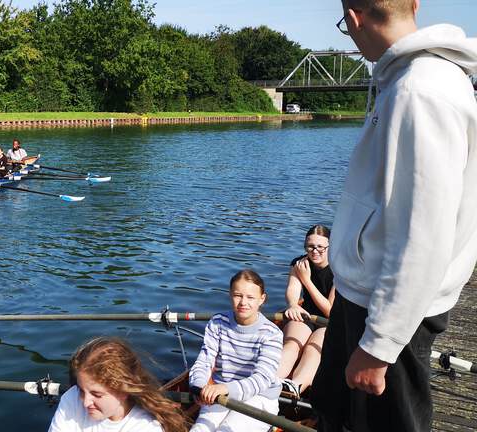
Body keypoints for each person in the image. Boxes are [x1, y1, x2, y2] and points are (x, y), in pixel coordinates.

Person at [311, 2, 477, 431]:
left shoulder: (419, 91)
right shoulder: (409, 80)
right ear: (414, 4)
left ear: (353, 18)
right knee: (331, 408)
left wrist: (379, 346)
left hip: (386, 308)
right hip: (366, 296)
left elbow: (425, 234)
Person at [189, 269, 283, 432]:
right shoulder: (217, 322)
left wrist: (226, 388)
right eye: (238, 295)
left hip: (259, 397)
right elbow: (204, 362)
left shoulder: (272, 334)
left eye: (250, 297)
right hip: (220, 393)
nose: (243, 303)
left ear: (262, 299)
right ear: (230, 295)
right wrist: (198, 386)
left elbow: (262, 379)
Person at [48, 337, 187, 432]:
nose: (85, 402)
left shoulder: (146, 427)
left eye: (97, 394)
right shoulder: (72, 398)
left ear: (123, 391)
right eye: (82, 390)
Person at [277, 225, 334, 399]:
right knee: (292, 344)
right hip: (306, 315)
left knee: (313, 349)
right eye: (310, 247)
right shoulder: (299, 263)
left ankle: (295, 385)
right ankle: (269, 380)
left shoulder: (340, 268)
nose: (314, 251)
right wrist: (293, 304)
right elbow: (292, 290)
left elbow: (329, 310)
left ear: (330, 246)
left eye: (320, 247)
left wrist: (307, 281)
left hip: (331, 321)